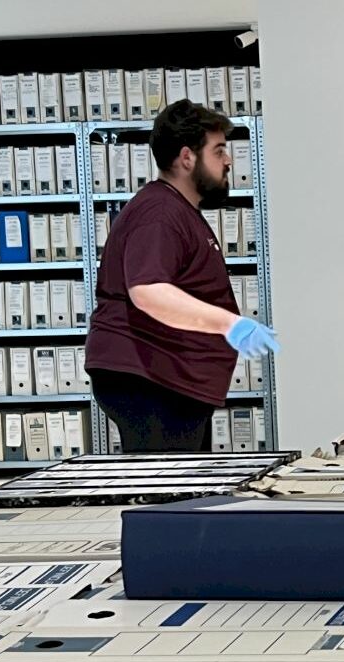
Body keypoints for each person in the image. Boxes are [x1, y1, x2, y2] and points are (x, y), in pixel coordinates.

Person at [85, 99, 279, 453]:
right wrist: (230, 324)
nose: (228, 161)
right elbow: (148, 290)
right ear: (187, 158)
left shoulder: (176, 208)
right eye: (218, 151)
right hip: (153, 379)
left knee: (189, 481)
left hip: (171, 381)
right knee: (167, 482)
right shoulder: (159, 213)